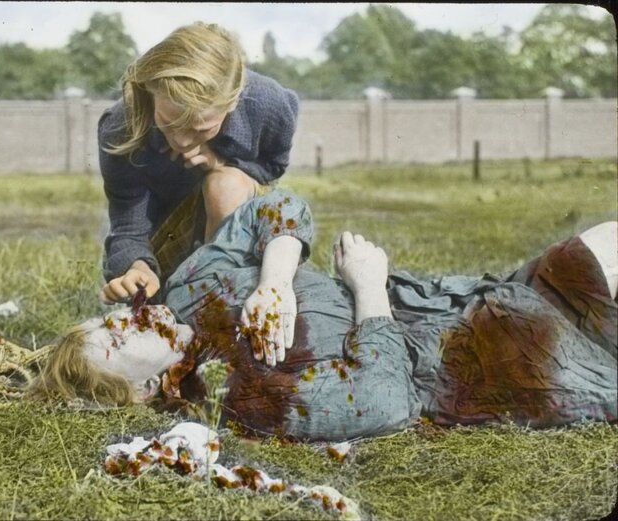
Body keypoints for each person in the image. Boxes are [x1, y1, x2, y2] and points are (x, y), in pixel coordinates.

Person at [31, 189, 618, 442]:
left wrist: (275, 282)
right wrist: (368, 290)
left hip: (487, 294)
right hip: (515, 356)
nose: (124, 317)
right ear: (146, 390)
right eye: (114, 337)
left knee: (600, 243)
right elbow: (387, 402)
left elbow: (278, 207)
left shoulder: (189, 289)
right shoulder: (240, 397)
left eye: (107, 319)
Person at [97, 22, 299, 311]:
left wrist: (220, 161)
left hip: (237, 226)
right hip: (167, 236)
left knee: (224, 185)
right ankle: (185, 295)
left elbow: (273, 166)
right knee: (149, 303)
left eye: (201, 129)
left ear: (232, 103)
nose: (181, 142)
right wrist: (137, 267)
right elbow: (129, 227)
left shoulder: (267, 103)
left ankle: (220, 294)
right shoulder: (120, 126)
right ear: (151, 91)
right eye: (168, 122)